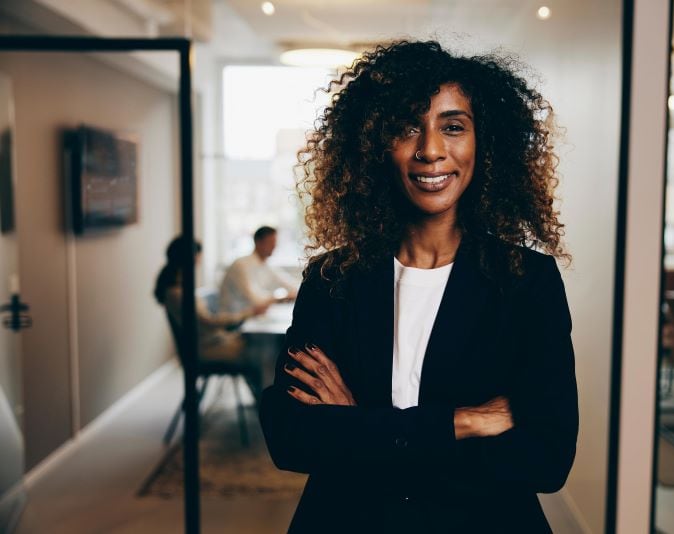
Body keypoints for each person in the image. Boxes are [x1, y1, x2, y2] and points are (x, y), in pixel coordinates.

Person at [259, 40, 578, 533]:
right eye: (407, 128)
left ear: (484, 144)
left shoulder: (526, 282)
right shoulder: (332, 280)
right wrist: (461, 422)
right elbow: (291, 438)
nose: (430, 149)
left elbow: (546, 460)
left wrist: (361, 425)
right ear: (374, 147)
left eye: (453, 127)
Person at [154, 236, 268, 364]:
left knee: (259, 344)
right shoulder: (178, 294)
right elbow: (208, 321)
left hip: (211, 342)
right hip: (207, 348)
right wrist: (247, 314)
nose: (199, 262)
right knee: (263, 350)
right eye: (198, 257)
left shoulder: (177, 290)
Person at [218, 226, 298, 314]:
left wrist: (299, 292)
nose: (274, 246)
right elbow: (255, 299)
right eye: (270, 242)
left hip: (251, 317)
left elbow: (288, 283)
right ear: (258, 242)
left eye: (275, 242)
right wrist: (281, 298)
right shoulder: (241, 265)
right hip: (233, 320)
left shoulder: (266, 265)